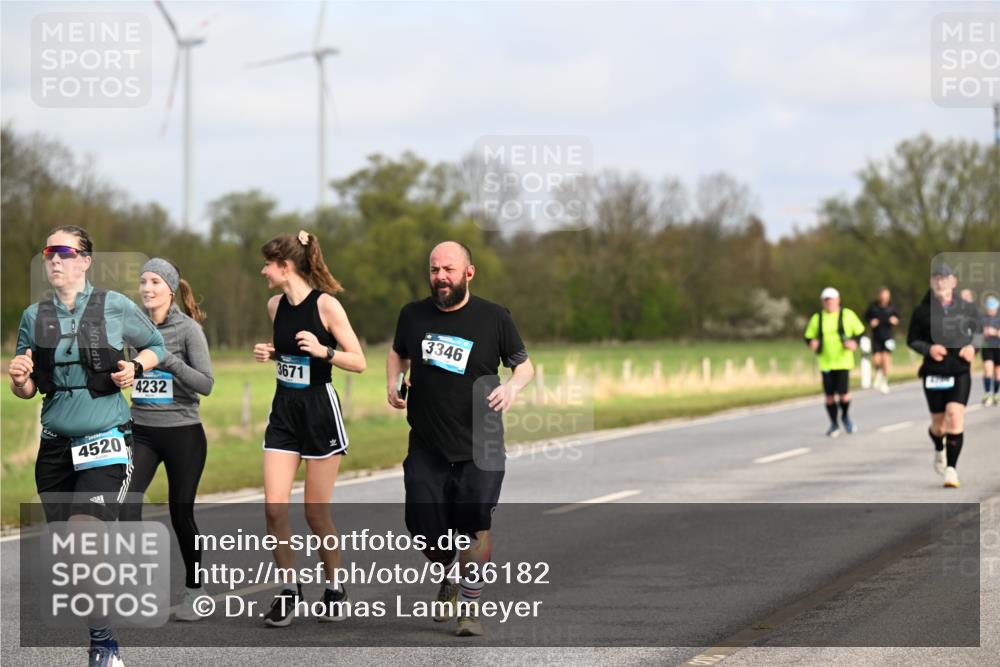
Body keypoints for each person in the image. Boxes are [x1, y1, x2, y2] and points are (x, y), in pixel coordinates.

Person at [7, 226, 166, 667]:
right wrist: (19, 378)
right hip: (56, 449)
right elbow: (28, 388)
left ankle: (103, 645)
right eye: (49, 252)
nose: (54, 260)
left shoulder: (114, 306)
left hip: (106, 441)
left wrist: (134, 366)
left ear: (84, 261)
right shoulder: (32, 317)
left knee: (82, 541)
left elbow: (156, 345)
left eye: (64, 252)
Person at [387, 241, 534, 637]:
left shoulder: (494, 317)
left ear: (469, 272)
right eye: (434, 270)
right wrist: (393, 382)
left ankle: (469, 606)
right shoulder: (413, 315)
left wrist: (513, 388)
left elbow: (524, 366)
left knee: (474, 525)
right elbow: (398, 353)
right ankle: (450, 572)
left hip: (481, 440)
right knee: (423, 529)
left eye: (448, 269)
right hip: (427, 441)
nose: (440, 277)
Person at [252, 230, 366, 627]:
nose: (263, 270)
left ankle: (335, 588)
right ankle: (288, 590)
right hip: (284, 411)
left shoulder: (327, 306)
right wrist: (272, 354)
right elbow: (288, 354)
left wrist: (325, 351)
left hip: (320, 410)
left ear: (286, 267)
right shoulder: (274, 305)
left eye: (268, 264)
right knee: (273, 507)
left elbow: (359, 361)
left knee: (316, 514)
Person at [118, 259, 214, 622]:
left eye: (154, 281)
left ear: (170, 289)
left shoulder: (189, 330)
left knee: (180, 512)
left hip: (183, 433)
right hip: (141, 430)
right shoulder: (129, 330)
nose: (146, 288)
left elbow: (206, 383)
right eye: (142, 281)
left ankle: (195, 590)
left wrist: (167, 361)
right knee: (126, 506)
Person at [907, 263, 981, 488]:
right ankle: (939, 447)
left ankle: (952, 470)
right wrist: (928, 349)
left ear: (953, 282)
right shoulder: (922, 311)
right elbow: (912, 339)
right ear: (932, 282)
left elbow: (978, 333)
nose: (940, 282)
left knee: (955, 416)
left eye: (944, 277)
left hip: (959, 370)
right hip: (934, 372)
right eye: (936, 278)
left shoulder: (967, 308)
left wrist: (972, 348)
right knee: (938, 427)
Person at [803, 287, 865, 437]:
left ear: (838, 300)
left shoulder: (847, 315)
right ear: (823, 302)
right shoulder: (817, 318)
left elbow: (860, 332)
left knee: (843, 395)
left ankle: (845, 417)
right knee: (829, 396)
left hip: (843, 361)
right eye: (826, 301)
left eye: (831, 300)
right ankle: (833, 423)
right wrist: (812, 343)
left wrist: (853, 343)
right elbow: (808, 336)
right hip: (825, 362)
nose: (829, 303)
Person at [863, 287, 901, 393]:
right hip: (876, 337)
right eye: (883, 295)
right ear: (879, 296)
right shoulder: (873, 307)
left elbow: (898, 317)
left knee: (885, 359)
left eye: (887, 296)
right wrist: (871, 321)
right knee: (876, 360)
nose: (885, 298)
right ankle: (879, 373)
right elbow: (866, 318)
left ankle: (884, 381)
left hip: (888, 337)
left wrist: (895, 321)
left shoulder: (892, 307)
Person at [979, 296, 1000, 407]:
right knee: (988, 370)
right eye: (989, 308)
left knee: (997, 373)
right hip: (987, 347)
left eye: (992, 308)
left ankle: (996, 394)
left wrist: (995, 332)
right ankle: (987, 394)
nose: (990, 310)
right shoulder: (982, 318)